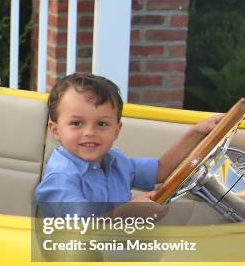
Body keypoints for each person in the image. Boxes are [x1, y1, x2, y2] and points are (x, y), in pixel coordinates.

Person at [35, 73, 221, 217]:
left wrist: (196, 133)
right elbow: (82, 228)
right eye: (76, 123)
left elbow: (161, 170)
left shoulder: (115, 161)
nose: (89, 132)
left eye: (102, 124)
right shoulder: (61, 176)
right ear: (55, 130)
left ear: (116, 130)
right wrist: (127, 213)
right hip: (70, 260)